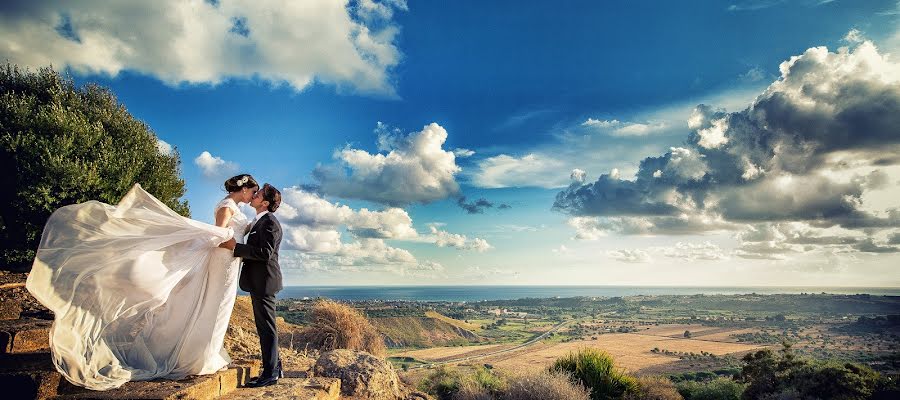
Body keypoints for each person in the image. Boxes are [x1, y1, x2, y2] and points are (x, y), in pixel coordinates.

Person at [25, 174, 258, 390]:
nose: (252, 196)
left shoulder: (235, 207)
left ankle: (208, 352)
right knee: (216, 306)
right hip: (223, 260)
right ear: (244, 189)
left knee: (221, 306)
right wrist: (236, 243)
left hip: (230, 261)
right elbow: (219, 234)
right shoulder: (227, 206)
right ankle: (202, 356)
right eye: (252, 191)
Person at [218, 183, 283, 388]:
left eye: (259, 194)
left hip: (265, 282)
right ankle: (276, 368)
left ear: (264, 203)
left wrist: (235, 247)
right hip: (258, 282)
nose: (254, 195)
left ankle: (270, 373)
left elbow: (265, 253)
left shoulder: (270, 223)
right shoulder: (258, 222)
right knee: (265, 328)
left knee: (267, 329)